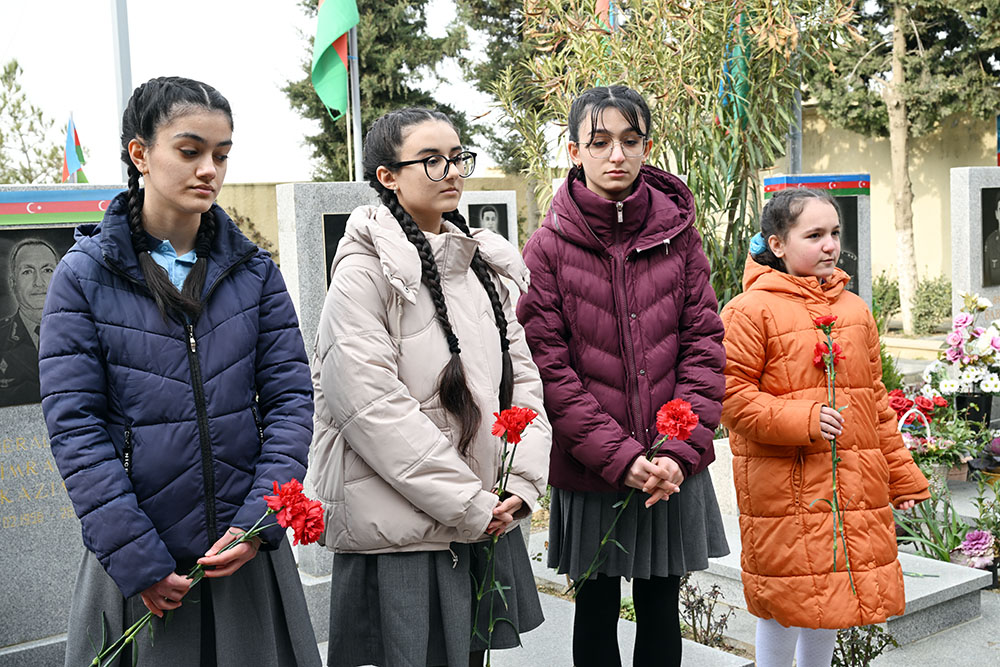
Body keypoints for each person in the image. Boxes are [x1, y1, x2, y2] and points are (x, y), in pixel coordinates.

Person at [38, 77, 321, 667]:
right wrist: (135, 556)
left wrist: (254, 526)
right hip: (142, 564)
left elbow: (292, 400)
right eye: (190, 151)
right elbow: (76, 429)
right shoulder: (84, 275)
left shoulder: (253, 272)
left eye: (222, 155)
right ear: (140, 153)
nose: (209, 170)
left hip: (243, 560)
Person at [308, 107, 550, 667]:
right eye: (432, 160)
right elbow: (370, 408)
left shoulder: (480, 266)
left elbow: (525, 386)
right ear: (387, 176)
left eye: (459, 157)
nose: (453, 171)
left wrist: (523, 482)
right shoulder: (363, 274)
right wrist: (467, 502)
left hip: (480, 514)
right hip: (403, 534)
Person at [516, 85, 729, 667]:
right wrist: (619, 455)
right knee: (596, 606)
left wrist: (673, 452)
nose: (616, 155)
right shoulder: (546, 249)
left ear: (647, 147)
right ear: (573, 150)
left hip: (670, 461)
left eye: (630, 142)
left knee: (663, 605)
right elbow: (547, 367)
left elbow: (705, 347)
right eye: (601, 141)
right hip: (592, 464)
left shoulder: (679, 237)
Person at [720, 188, 930, 667]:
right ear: (777, 245)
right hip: (785, 488)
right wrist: (806, 419)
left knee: (831, 599)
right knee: (786, 601)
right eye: (814, 235)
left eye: (834, 233)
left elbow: (874, 401)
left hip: (849, 483)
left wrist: (902, 476)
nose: (830, 245)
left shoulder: (854, 311)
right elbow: (729, 398)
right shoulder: (749, 311)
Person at [0, 238, 57, 406]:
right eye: (27, 272)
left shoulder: (89, 333)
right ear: (12, 283)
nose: (38, 282)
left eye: (47, 270)